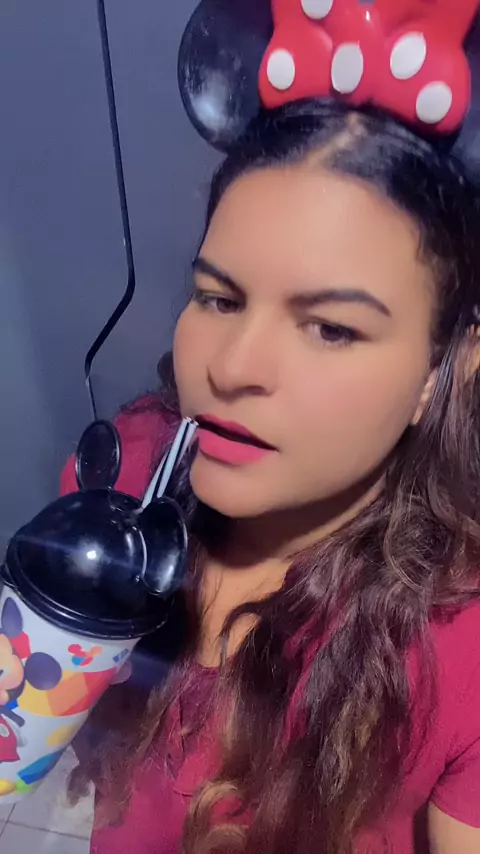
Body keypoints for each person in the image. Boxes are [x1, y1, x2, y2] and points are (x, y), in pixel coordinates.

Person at [61, 101, 480, 854]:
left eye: (331, 328)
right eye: (218, 298)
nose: (231, 367)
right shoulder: (123, 474)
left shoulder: (461, 639)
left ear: (442, 370)